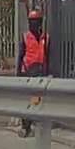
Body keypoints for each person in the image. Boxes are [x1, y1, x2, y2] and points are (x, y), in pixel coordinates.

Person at [17, 8, 49, 137]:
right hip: (27, 72)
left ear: (40, 22)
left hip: (40, 72)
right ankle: (25, 126)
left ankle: (32, 125)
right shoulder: (25, 37)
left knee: (35, 100)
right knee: (27, 101)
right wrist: (18, 73)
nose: (34, 24)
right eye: (32, 21)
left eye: (36, 21)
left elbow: (48, 55)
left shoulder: (45, 37)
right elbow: (21, 55)